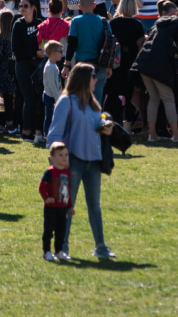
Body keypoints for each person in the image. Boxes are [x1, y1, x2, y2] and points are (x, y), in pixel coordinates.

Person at [45, 63, 116, 260]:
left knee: (95, 205)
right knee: (66, 206)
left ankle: (100, 246)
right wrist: (58, 160)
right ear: (84, 78)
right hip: (72, 162)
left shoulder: (93, 103)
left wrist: (104, 125)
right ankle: (62, 247)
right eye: (94, 76)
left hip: (93, 161)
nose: (96, 79)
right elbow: (54, 134)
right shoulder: (66, 102)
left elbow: (96, 122)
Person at [133, 2, 178, 141]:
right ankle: (176, 136)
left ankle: (152, 135)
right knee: (169, 99)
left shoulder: (157, 25)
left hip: (143, 64)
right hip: (158, 66)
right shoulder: (177, 27)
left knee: (154, 99)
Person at [108, 0, 146, 126]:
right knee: (130, 93)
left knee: (113, 92)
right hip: (131, 62)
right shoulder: (137, 25)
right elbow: (140, 45)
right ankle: (128, 122)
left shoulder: (113, 23)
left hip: (115, 62)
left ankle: (113, 120)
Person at [66, 0, 109, 101]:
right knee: (97, 103)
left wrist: (66, 65)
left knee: (81, 102)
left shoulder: (75, 21)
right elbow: (110, 46)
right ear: (94, 5)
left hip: (82, 67)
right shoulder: (104, 22)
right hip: (101, 67)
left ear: (79, 7)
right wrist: (109, 67)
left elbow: (71, 45)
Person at [38, 141, 75, 262]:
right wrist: (46, 197)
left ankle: (59, 251)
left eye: (66, 155)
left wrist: (70, 206)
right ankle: (47, 252)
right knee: (49, 229)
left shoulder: (67, 173)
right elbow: (41, 186)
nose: (64, 158)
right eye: (60, 155)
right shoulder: (50, 172)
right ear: (52, 158)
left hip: (62, 207)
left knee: (61, 230)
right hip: (51, 207)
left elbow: (67, 190)